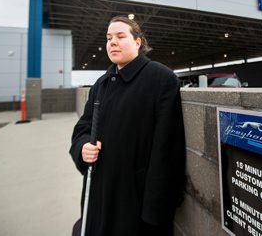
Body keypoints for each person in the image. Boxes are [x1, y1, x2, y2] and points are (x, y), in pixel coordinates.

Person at [70, 15, 186, 236]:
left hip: (134, 204)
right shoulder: (101, 84)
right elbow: (83, 127)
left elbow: (168, 150)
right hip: (99, 196)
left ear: (137, 42)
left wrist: (155, 213)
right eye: (108, 37)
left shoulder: (161, 79)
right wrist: (83, 146)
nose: (112, 42)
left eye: (120, 36)